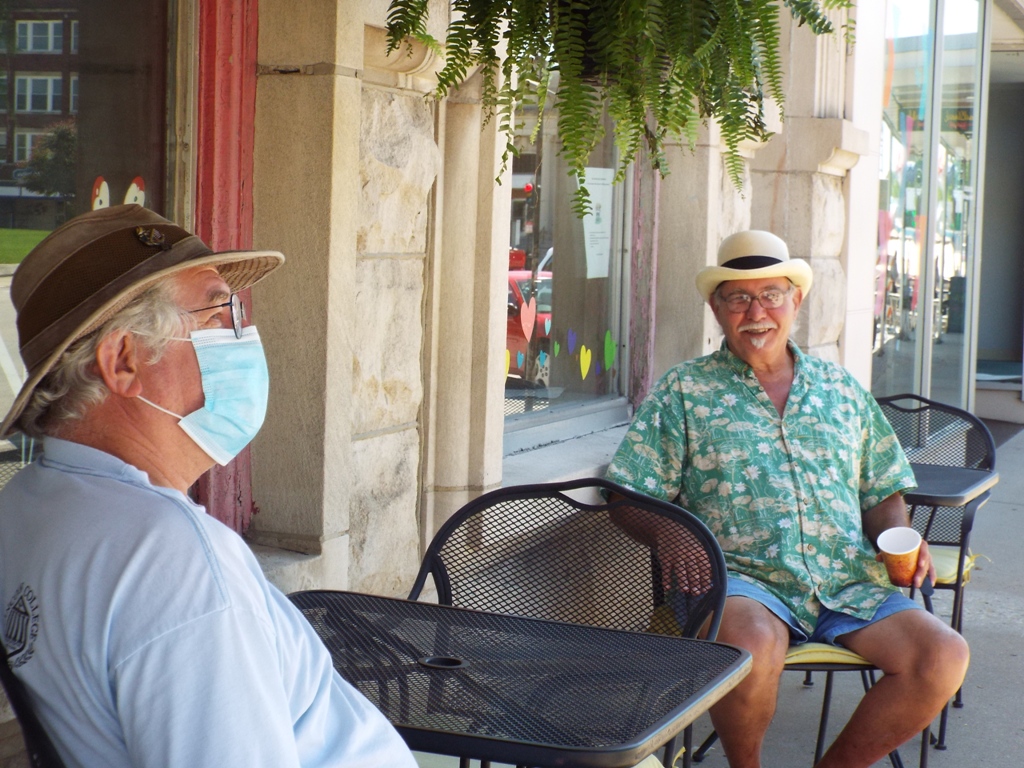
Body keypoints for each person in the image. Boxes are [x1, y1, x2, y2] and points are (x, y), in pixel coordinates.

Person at [0, 205, 418, 767]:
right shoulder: (170, 559)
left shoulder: (24, 505)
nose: (244, 335)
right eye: (220, 314)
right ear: (123, 361)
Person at [605, 230, 969, 768]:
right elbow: (624, 493)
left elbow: (881, 489)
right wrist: (668, 531)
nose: (757, 313)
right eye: (739, 298)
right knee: (751, 646)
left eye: (771, 295)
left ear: (795, 301)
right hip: (741, 581)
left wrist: (901, 535)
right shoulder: (684, 390)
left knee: (942, 656)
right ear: (717, 309)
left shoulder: (840, 389)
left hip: (846, 580)